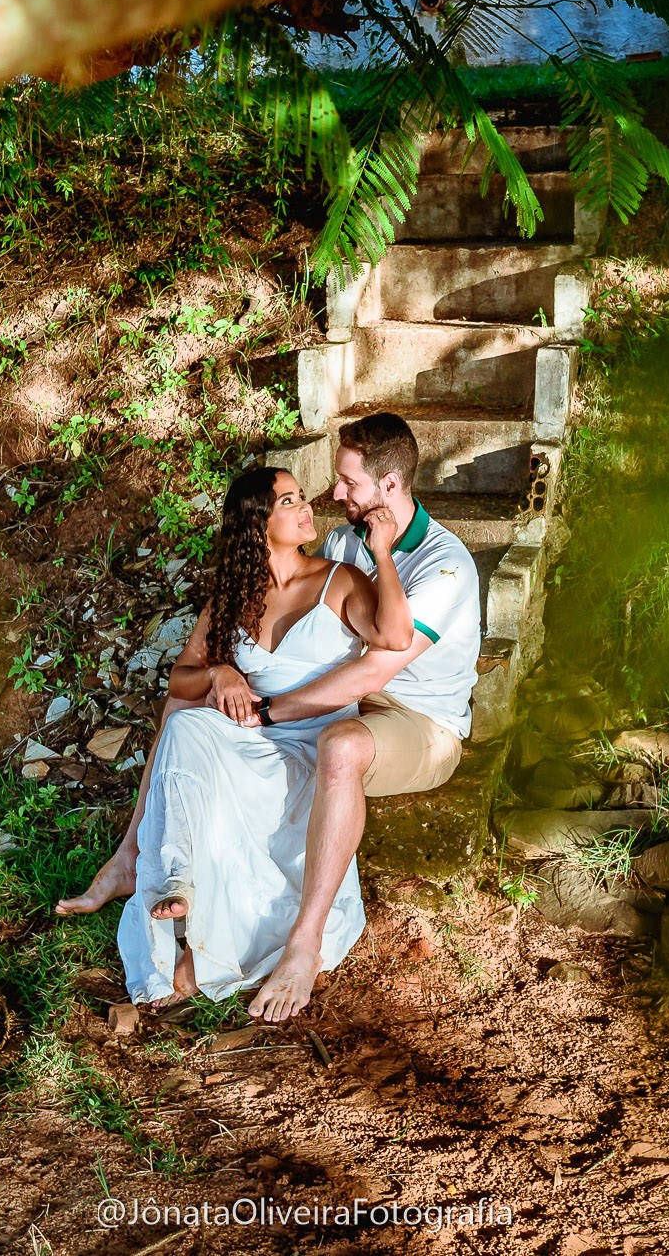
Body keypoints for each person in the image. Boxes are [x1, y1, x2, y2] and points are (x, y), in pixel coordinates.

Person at [57, 465, 413, 1007]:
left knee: (188, 725)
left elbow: (394, 635)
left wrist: (382, 554)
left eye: (301, 498)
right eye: (289, 502)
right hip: (247, 741)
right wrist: (220, 673)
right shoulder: (235, 595)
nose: (306, 508)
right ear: (257, 523)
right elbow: (181, 679)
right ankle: (175, 883)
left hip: (311, 746)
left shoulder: (338, 581)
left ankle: (176, 903)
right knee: (185, 722)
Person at [238, 412, 481, 1021]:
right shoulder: (345, 542)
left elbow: (376, 672)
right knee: (214, 729)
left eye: (348, 483)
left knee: (339, 748)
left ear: (391, 486)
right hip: (345, 703)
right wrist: (229, 673)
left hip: (419, 722)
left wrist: (273, 709)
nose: (335, 495)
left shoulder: (446, 566)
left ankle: (305, 941)